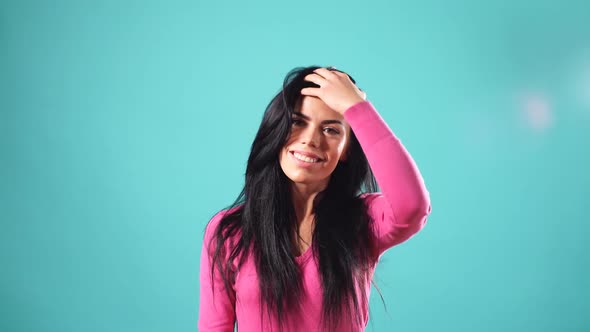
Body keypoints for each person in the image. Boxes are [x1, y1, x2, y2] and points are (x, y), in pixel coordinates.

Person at [198, 66, 432, 332]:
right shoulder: (228, 232)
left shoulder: (363, 221)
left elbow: (413, 206)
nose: (311, 140)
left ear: (346, 150)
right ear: (277, 129)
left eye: (331, 130)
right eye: (298, 122)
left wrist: (357, 107)